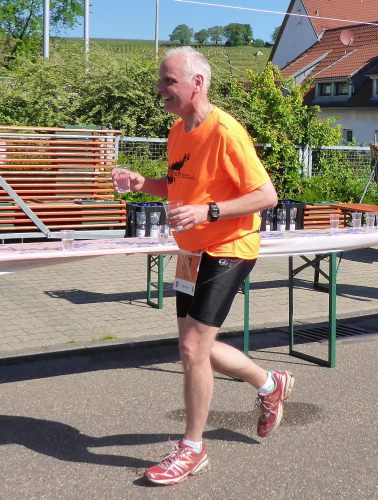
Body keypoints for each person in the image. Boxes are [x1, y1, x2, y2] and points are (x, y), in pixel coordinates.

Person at [116, 46, 295, 485]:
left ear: (197, 83)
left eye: (168, 81)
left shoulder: (226, 132)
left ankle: (192, 449)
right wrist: (142, 183)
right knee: (193, 347)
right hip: (192, 255)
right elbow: (177, 186)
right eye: (161, 81)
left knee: (193, 348)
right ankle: (270, 384)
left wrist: (209, 212)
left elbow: (267, 196)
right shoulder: (178, 131)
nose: (160, 89)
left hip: (229, 246)